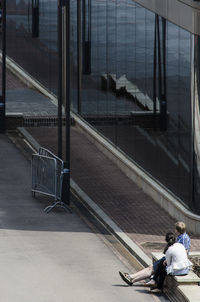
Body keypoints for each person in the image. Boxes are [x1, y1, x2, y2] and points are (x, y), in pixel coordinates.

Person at [119, 221, 190, 286]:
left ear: (177, 230)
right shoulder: (181, 237)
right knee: (151, 267)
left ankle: (132, 279)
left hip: (173, 261)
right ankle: (131, 276)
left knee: (152, 269)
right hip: (170, 258)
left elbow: (184, 253)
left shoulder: (184, 239)